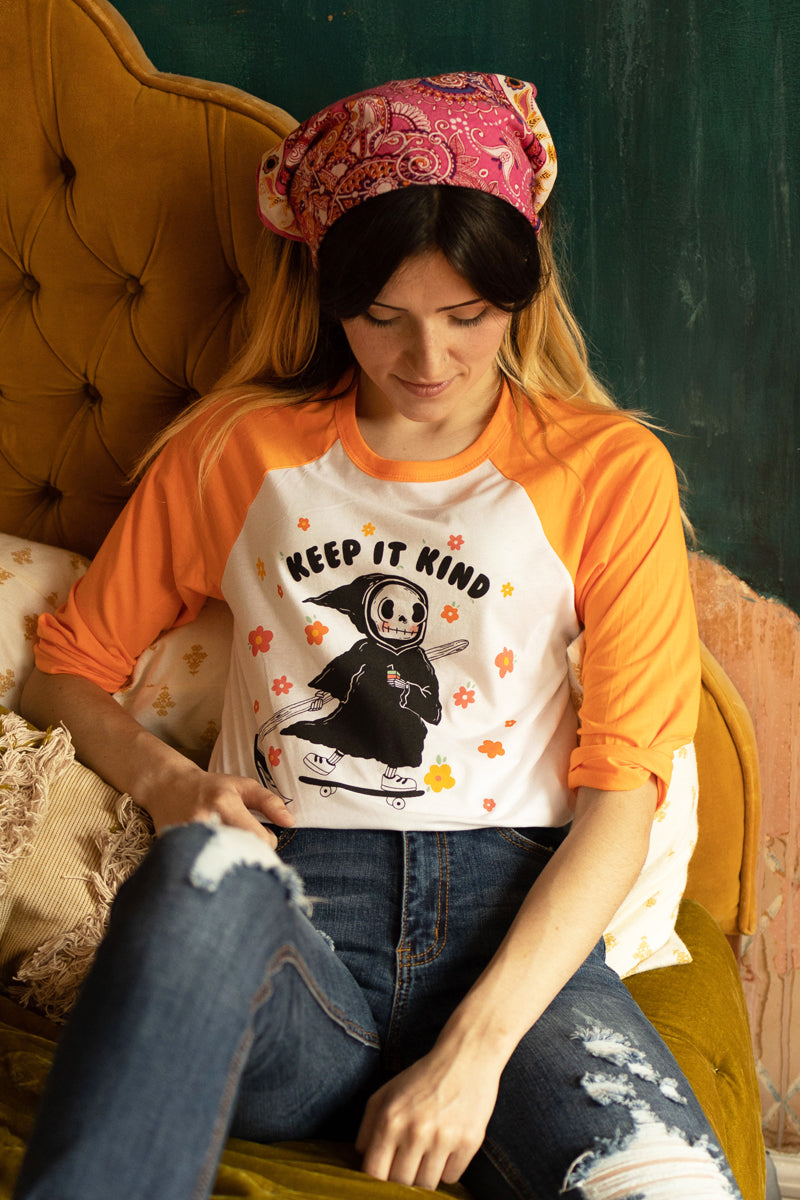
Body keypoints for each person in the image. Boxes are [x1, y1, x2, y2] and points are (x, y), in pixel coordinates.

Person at [14, 73, 742, 1200]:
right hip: (297, 916)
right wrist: (164, 784)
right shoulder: (236, 455)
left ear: (520, 294)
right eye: (382, 320)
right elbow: (68, 668)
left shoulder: (604, 469)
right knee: (198, 877)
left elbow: (623, 790)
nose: (429, 363)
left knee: (666, 1185)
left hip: (520, 945)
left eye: (466, 319)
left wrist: (471, 1055)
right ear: (329, 297)